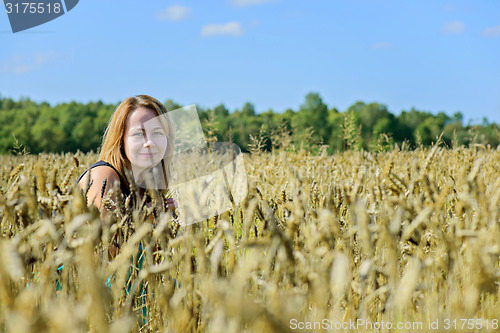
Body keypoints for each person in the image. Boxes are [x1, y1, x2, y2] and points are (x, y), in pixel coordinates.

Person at [77, 95, 177, 214]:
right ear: (120, 139)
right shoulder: (103, 176)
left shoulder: (148, 186)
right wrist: (147, 217)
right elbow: (99, 231)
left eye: (157, 133)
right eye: (139, 134)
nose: (149, 142)